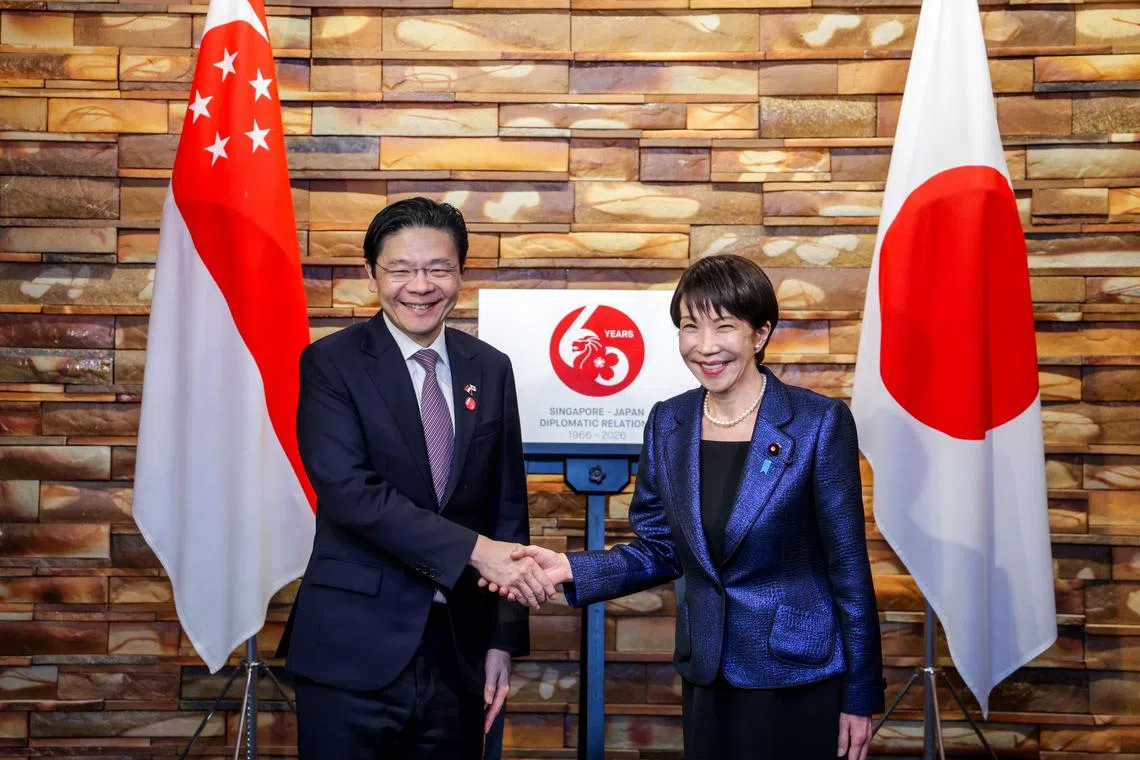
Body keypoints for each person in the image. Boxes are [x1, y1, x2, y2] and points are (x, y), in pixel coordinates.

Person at [494, 254, 885, 760]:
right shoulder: (668, 422)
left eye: (724, 326)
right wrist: (570, 567)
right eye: (689, 327)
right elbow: (660, 548)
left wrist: (860, 695)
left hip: (797, 673)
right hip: (708, 667)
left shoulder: (818, 423)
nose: (705, 346)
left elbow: (849, 568)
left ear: (759, 334)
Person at [279, 197, 557, 758]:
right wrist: (476, 551)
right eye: (401, 269)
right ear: (372, 274)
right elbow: (349, 494)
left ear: (461, 273)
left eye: (438, 268)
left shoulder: (490, 367)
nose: (420, 286)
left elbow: (507, 507)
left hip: (458, 653)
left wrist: (503, 640)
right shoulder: (331, 364)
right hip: (351, 649)